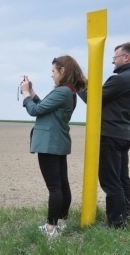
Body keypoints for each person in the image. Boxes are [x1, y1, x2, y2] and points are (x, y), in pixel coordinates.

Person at [20, 55, 86, 237]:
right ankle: (62, 223)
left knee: (55, 187)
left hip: (49, 144)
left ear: (62, 71)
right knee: (62, 185)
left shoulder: (62, 91)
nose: (51, 75)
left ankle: (51, 229)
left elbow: (35, 110)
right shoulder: (68, 91)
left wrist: (25, 94)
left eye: (53, 71)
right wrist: (32, 92)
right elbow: (43, 105)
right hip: (58, 142)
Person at [77, 42, 130, 228]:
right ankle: (126, 217)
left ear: (126, 58)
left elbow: (94, 99)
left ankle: (117, 223)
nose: (112, 61)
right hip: (124, 135)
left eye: (115, 57)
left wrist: (78, 86)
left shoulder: (121, 79)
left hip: (110, 135)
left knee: (111, 181)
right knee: (123, 178)